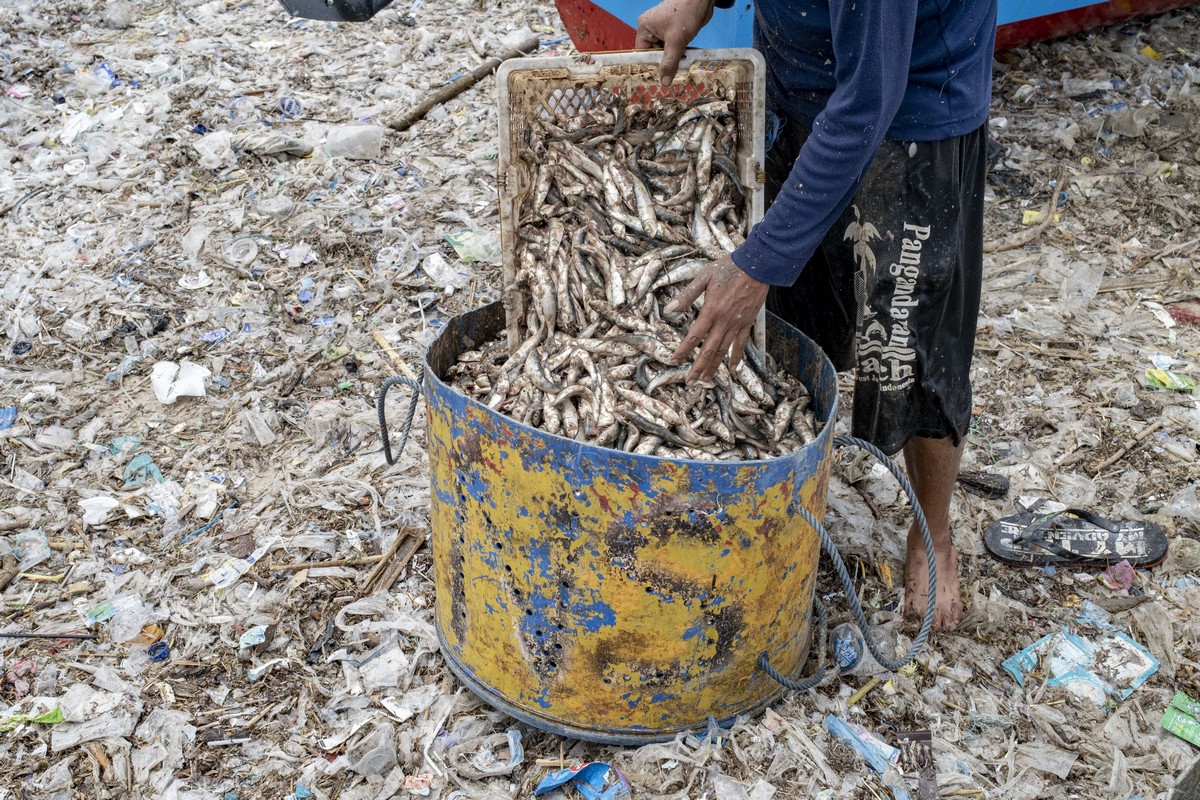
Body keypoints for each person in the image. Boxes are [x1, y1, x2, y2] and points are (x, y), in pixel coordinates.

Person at [636, 0, 998, 630]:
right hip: (801, 78)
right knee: (796, 332)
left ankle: (932, 532)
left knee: (910, 352)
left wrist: (757, 265)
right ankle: (793, 494)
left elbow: (868, 102)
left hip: (914, 107)